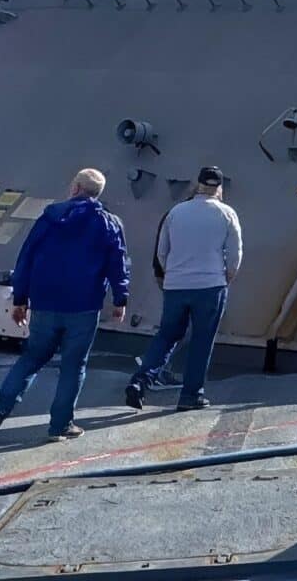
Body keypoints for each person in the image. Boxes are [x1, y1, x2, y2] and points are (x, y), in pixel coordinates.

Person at [0, 169, 129, 442]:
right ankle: (60, 425)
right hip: (84, 306)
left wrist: (20, 300)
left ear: (75, 188)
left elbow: (26, 258)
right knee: (73, 366)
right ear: (97, 193)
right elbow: (117, 263)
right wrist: (120, 299)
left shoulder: (48, 219)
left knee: (31, 359)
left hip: (45, 303)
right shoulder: (108, 222)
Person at [127, 165, 241, 411]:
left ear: (198, 185)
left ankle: (140, 381)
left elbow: (161, 252)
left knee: (166, 335)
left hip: (176, 286)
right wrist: (225, 278)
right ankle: (191, 395)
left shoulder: (176, 212)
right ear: (219, 188)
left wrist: (174, 274)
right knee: (202, 340)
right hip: (211, 286)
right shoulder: (227, 214)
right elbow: (234, 256)